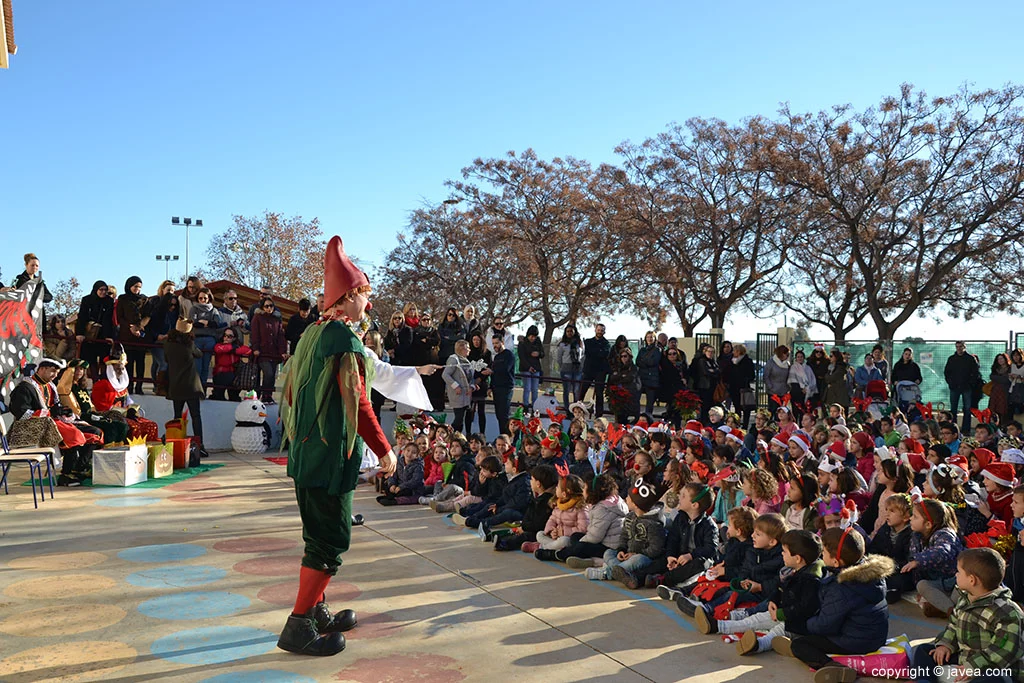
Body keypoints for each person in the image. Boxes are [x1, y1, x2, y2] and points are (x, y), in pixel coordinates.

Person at [277, 236, 397, 656]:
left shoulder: (311, 334)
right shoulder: (344, 341)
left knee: (317, 536)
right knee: (331, 540)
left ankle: (316, 610)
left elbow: (290, 395)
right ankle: (298, 624)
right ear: (347, 297)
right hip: (330, 458)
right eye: (364, 295)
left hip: (307, 454)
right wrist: (384, 448)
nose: (368, 304)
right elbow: (358, 402)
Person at [786, 527, 895, 683]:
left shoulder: (842, 587)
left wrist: (805, 624)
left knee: (799, 644)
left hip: (856, 642)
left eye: (823, 552)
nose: (821, 555)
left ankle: (833, 667)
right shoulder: (871, 573)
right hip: (875, 636)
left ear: (836, 561)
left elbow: (825, 626)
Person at [910, 548, 1022, 683]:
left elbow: (1004, 650)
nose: (956, 575)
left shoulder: (1007, 612)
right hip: (966, 657)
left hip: (992, 666)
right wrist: (945, 645)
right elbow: (953, 626)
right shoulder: (965, 599)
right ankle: (924, 681)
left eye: (959, 572)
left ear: (972, 580)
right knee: (924, 651)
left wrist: (972, 666)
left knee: (1000, 679)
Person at [8, 357, 94, 485]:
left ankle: (79, 469)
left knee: (93, 432)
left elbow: (55, 408)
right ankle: (66, 475)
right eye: (53, 371)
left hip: (51, 423)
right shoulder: (25, 388)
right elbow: (22, 414)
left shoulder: (51, 386)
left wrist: (65, 411)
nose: (55, 375)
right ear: (42, 369)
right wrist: (50, 412)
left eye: (57, 373)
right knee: (74, 435)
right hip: (32, 428)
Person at [164, 318, 205, 447]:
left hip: (176, 385)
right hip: (191, 385)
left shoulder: (167, 343)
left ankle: (177, 443)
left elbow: (166, 359)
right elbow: (199, 354)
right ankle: (199, 444)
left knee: (177, 417)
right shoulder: (189, 344)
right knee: (196, 417)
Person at [251, 296, 289, 404]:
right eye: (266, 306)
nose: (269, 308)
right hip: (262, 352)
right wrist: (256, 348)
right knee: (268, 373)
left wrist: (282, 351)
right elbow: (255, 334)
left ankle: (268, 396)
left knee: (273, 375)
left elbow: (281, 336)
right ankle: (264, 394)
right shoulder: (257, 318)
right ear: (262, 307)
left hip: (274, 353)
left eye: (271, 306)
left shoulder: (277, 319)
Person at [143, 280, 178, 395]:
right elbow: (149, 325)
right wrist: (157, 335)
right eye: (168, 290)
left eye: (173, 290)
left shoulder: (174, 313)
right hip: (156, 341)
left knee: (158, 363)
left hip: (168, 342)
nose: (173, 307)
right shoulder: (155, 306)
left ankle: (159, 385)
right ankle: (159, 387)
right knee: (162, 363)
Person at [116, 276, 148, 394]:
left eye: (139, 287)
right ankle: (128, 386)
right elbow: (120, 317)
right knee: (128, 363)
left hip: (141, 336)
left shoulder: (144, 299)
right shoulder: (123, 299)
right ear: (129, 286)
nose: (137, 289)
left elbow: (148, 316)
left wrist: (138, 327)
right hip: (126, 335)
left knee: (141, 362)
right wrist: (130, 327)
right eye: (135, 286)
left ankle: (139, 387)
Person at [74, 281, 115, 374]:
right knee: (90, 360)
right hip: (88, 335)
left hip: (103, 334)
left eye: (105, 290)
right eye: (101, 289)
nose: (103, 292)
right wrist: (79, 333)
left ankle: (103, 383)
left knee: (104, 360)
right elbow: (82, 317)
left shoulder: (109, 301)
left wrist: (108, 335)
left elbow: (108, 320)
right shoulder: (87, 300)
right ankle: (94, 381)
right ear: (96, 289)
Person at [945, 341, 981, 435]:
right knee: (953, 409)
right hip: (954, 387)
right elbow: (947, 372)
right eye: (957, 347)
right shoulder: (952, 359)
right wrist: (950, 383)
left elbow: (975, 373)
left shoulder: (970, 359)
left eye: (961, 346)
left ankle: (966, 430)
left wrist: (970, 384)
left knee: (967, 409)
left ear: (964, 347)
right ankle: (953, 429)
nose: (959, 348)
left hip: (966, 388)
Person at [11, 253, 52, 332]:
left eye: (37, 266)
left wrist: (39, 297)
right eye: (32, 265)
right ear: (26, 265)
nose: (35, 267)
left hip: (38, 315)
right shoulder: (20, 279)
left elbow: (49, 296)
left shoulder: (40, 281)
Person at [443, 340, 475, 435]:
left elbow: (470, 378)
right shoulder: (453, 359)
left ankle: (462, 436)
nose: (469, 349)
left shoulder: (467, 361)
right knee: (458, 418)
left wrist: (472, 387)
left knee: (466, 417)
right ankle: (450, 435)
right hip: (458, 395)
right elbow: (445, 374)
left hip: (467, 395)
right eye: (467, 347)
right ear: (461, 348)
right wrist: (455, 386)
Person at [580, 324, 611, 418]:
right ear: (595, 330)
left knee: (599, 393)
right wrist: (598, 352)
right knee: (582, 391)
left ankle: (599, 415)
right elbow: (588, 352)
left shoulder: (606, 344)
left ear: (604, 332)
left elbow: (605, 354)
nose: (600, 332)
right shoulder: (588, 342)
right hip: (589, 370)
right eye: (598, 330)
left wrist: (596, 352)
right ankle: (578, 410)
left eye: (602, 330)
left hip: (600, 371)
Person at [489, 334, 516, 436]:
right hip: (496, 388)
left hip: (506, 388)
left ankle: (506, 437)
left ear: (502, 342)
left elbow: (505, 369)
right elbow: (494, 374)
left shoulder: (509, 355)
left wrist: (492, 370)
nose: (495, 346)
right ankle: (502, 436)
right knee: (499, 415)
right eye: (493, 344)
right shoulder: (496, 357)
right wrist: (490, 387)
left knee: (504, 415)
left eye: (496, 343)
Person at [466, 332, 492, 436]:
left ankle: (482, 433)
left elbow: (488, 369)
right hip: (470, 384)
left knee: (481, 411)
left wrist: (480, 379)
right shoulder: (468, 353)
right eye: (474, 340)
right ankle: (468, 433)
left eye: (478, 340)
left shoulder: (487, 353)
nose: (476, 342)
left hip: (482, 385)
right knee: (468, 411)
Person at [211, 327, 248, 401]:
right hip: (220, 374)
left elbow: (247, 350)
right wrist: (232, 348)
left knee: (234, 397)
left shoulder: (237, 346)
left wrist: (236, 350)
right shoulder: (219, 345)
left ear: (234, 338)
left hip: (234, 374)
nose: (226, 338)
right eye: (225, 335)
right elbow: (219, 349)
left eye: (229, 336)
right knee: (218, 396)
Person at [607, 348, 641, 425]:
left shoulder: (634, 368)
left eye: (625, 356)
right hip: (619, 398)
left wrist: (619, 377)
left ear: (629, 356)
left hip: (630, 397)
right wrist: (621, 376)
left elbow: (630, 378)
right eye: (621, 356)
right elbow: (612, 378)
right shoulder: (617, 367)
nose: (623, 358)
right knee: (620, 420)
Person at [556, 323, 584, 410]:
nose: (569, 333)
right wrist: (562, 366)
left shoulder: (579, 343)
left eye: (571, 331)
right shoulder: (562, 344)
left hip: (577, 368)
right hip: (566, 368)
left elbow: (583, 355)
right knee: (567, 390)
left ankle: (575, 409)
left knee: (576, 390)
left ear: (574, 332)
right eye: (567, 331)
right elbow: (559, 357)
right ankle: (567, 409)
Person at [659, 346, 689, 428]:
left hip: (681, 390)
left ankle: (677, 427)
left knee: (679, 411)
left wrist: (685, 379)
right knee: (671, 410)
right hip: (670, 390)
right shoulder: (665, 366)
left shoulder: (682, 365)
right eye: (670, 354)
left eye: (674, 354)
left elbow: (687, 374)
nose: (672, 356)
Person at [690, 344, 721, 422]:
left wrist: (713, 371)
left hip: (713, 386)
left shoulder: (713, 361)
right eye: (709, 351)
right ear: (705, 352)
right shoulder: (702, 361)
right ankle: (703, 421)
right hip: (704, 386)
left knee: (711, 405)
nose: (710, 353)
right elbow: (705, 372)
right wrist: (713, 371)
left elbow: (718, 371)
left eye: (712, 352)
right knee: (705, 406)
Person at [730, 343, 757, 428]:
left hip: (744, 388)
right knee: (737, 407)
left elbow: (752, 375)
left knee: (746, 408)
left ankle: (745, 426)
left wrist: (745, 379)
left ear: (739, 351)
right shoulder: (732, 361)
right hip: (734, 388)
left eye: (734, 351)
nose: (733, 352)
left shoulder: (747, 361)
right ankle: (737, 424)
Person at [517, 325, 544, 409]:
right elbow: (522, 357)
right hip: (525, 369)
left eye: (534, 336)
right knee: (527, 388)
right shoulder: (522, 343)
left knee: (535, 389)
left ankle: (534, 407)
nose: (533, 338)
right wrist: (528, 367)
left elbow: (543, 353)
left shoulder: (538, 342)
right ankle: (525, 406)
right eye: (531, 336)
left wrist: (538, 354)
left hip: (536, 368)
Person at [636, 331, 662, 417]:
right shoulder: (642, 350)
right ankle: (637, 417)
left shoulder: (657, 350)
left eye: (651, 337)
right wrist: (646, 362)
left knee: (650, 401)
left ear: (655, 339)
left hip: (652, 379)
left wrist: (644, 361)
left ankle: (648, 418)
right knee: (636, 398)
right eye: (648, 337)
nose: (650, 339)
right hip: (641, 378)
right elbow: (638, 362)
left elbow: (653, 362)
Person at [764, 345, 791, 413]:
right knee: (772, 410)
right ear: (781, 353)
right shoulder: (771, 362)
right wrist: (770, 387)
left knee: (781, 412)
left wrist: (788, 387)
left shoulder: (787, 364)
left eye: (788, 354)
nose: (787, 356)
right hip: (773, 392)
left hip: (783, 391)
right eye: (786, 354)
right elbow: (766, 376)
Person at [989, 353, 1013, 428]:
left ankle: (1004, 427)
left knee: (1004, 410)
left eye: (1002, 358)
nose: (1000, 360)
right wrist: (1002, 378)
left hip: (1005, 393)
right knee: (994, 410)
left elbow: (1007, 380)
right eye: (998, 359)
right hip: (995, 392)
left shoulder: (1010, 368)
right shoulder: (995, 369)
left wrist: (998, 378)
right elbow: (991, 377)